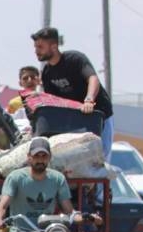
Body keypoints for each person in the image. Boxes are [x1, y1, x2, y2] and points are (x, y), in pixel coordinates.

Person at [31, 26, 114, 159]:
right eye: (35, 47)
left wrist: (89, 100)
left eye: (40, 47)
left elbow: (93, 79)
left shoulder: (75, 59)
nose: (36, 51)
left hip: (99, 115)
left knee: (100, 159)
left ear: (53, 46)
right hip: (76, 121)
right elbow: (53, 103)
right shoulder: (47, 73)